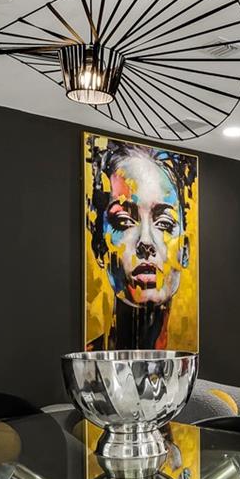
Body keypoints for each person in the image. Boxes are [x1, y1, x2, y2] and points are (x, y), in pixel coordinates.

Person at [85, 137, 196, 351]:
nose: (145, 241)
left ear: (185, 250)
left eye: (164, 223)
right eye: (124, 221)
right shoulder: (88, 364)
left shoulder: (187, 364)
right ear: (99, 246)